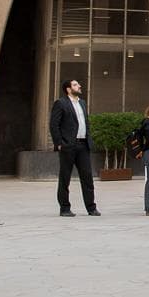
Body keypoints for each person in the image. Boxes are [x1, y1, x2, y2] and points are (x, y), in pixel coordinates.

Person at [49, 79, 100, 217]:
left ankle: (91, 208)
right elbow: (54, 125)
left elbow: (85, 123)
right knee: (65, 177)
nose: (79, 86)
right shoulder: (61, 103)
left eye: (78, 84)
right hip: (68, 145)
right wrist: (59, 143)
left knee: (87, 177)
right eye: (76, 85)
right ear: (68, 89)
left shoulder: (82, 103)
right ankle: (65, 208)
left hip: (83, 145)